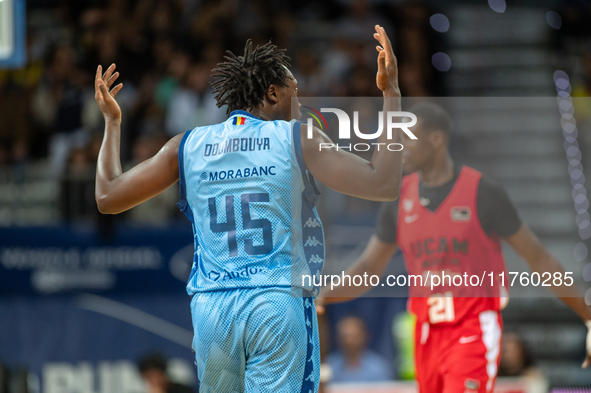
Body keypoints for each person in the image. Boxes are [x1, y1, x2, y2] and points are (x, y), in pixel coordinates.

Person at [93, 25, 403, 393]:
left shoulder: (188, 144)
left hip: (213, 310)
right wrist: (391, 94)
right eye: (295, 93)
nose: (300, 105)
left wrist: (113, 124)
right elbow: (384, 184)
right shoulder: (296, 137)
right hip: (275, 300)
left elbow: (108, 197)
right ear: (273, 93)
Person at [317, 102, 591, 393]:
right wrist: (325, 294)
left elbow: (538, 258)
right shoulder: (399, 202)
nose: (401, 146)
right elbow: (369, 268)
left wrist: (587, 315)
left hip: (471, 328)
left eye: (409, 137)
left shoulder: (483, 192)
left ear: (436, 139)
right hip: (425, 335)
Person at [326, 315, 392, 383]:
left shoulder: (378, 367)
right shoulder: (329, 365)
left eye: (353, 337)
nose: (349, 341)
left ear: (365, 337)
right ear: (337, 338)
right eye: (345, 337)